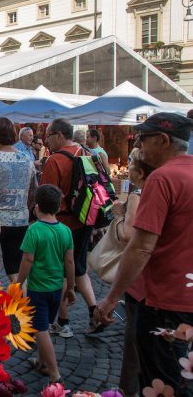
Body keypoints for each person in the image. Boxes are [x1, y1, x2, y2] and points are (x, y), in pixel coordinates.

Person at [95, 112, 193, 395]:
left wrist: (111, 298)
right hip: (185, 296)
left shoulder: (162, 179)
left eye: (143, 139)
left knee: (161, 381)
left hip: (162, 300)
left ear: (163, 140)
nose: (138, 145)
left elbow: (140, 246)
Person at [41, 118, 98, 338]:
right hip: (84, 219)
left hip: (62, 223)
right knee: (79, 266)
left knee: (62, 272)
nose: (46, 139)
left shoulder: (54, 160)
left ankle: (63, 322)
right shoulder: (86, 154)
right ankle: (94, 310)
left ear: (59, 135)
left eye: (48, 135)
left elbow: (47, 195)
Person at [17, 184, 76, 384]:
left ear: (36, 207)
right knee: (47, 324)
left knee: (40, 330)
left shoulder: (34, 230)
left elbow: (27, 260)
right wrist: (72, 288)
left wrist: (18, 283)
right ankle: (41, 363)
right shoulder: (66, 231)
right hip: (57, 289)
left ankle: (54, 373)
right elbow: (69, 261)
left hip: (38, 289)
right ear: (58, 208)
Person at [113, 147, 154, 397]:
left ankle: (127, 392)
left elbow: (128, 236)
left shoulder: (138, 195)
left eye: (130, 162)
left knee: (134, 346)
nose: (127, 166)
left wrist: (118, 217)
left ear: (139, 171)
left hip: (140, 281)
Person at [0, 117, 37, 283]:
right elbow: (33, 190)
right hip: (20, 220)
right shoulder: (27, 160)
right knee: (15, 268)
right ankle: (21, 303)